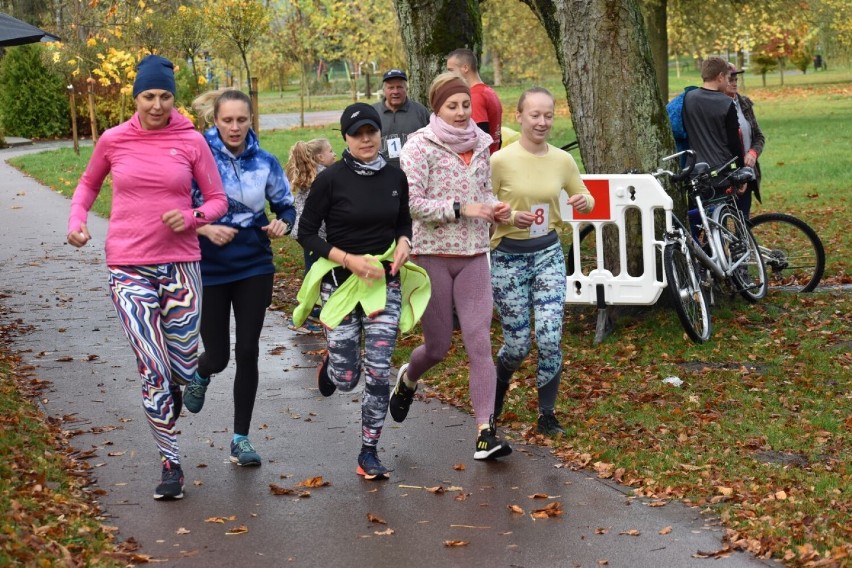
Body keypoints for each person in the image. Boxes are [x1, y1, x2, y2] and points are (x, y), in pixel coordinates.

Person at [66, 55, 228, 500]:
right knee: (153, 368)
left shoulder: (192, 140)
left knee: (179, 364)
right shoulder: (114, 140)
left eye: (164, 96)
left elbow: (217, 200)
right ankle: (171, 462)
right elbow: (87, 185)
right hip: (128, 264)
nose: (157, 105)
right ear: (135, 97)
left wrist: (193, 216)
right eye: (148, 96)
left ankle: (181, 380)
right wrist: (76, 219)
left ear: (173, 97)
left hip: (181, 266)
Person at [295, 102, 422, 480]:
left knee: (379, 371)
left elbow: (403, 221)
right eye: (357, 134)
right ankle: (333, 368)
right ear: (346, 139)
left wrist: (404, 242)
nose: (366, 139)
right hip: (340, 281)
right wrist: (348, 260)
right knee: (348, 378)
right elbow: (304, 233)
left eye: (371, 132)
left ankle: (369, 451)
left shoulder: (395, 177)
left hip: (383, 282)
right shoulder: (330, 179)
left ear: (379, 133)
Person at [395, 72, 513, 461]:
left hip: (475, 255)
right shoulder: (418, 147)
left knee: (480, 342)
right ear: (437, 107)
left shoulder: (482, 142)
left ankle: (485, 432)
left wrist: (496, 209)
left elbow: (483, 193)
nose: (462, 112)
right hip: (431, 256)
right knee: (438, 347)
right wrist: (462, 209)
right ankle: (408, 379)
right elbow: (411, 205)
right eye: (453, 106)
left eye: (465, 104)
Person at [182, 88, 296, 467]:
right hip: (209, 266)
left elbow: (285, 205)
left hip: (254, 264)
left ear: (251, 120)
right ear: (215, 120)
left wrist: (283, 223)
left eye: (241, 120)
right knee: (218, 354)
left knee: (248, 351)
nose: (235, 127)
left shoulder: (265, 161)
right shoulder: (197, 159)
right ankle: (201, 372)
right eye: (227, 120)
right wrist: (204, 228)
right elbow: (179, 210)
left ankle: (240, 439)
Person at [489, 87, 594, 436]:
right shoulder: (500, 161)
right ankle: (498, 391)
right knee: (517, 345)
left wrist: (582, 200)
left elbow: (586, 197)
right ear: (519, 116)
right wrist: (507, 219)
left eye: (548, 115)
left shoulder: (562, 160)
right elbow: (483, 213)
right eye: (535, 115)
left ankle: (547, 413)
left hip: (547, 254)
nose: (542, 121)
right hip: (508, 259)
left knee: (550, 337)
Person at [285, 138, 336, 334]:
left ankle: (313, 311)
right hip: (314, 234)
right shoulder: (324, 176)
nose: (334, 154)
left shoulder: (311, 173)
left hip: (304, 232)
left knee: (314, 272)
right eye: (330, 151)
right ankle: (302, 317)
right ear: (320, 157)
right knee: (313, 275)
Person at [681, 56, 744, 172]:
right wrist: (740, 170)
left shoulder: (688, 98)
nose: (727, 82)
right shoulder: (726, 103)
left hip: (694, 170)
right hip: (721, 171)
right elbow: (734, 142)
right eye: (727, 78)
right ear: (720, 77)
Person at [725, 63, 766, 219]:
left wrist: (753, 153)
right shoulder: (714, 107)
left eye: (736, 79)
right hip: (724, 177)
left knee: (743, 223)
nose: (734, 83)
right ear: (720, 79)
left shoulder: (744, 103)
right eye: (730, 79)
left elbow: (759, 136)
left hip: (747, 175)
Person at [446, 48, 502, 154]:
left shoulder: (474, 96)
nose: (449, 75)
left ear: (465, 68)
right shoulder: (489, 92)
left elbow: (479, 135)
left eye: (451, 70)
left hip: (480, 163)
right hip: (493, 157)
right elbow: (498, 135)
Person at [372, 69, 430, 168]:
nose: (395, 91)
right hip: (380, 171)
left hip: (413, 171)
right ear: (384, 91)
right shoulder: (372, 112)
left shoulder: (420, 111)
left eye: (400, 87)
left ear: (406, 89)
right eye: (391, 88)